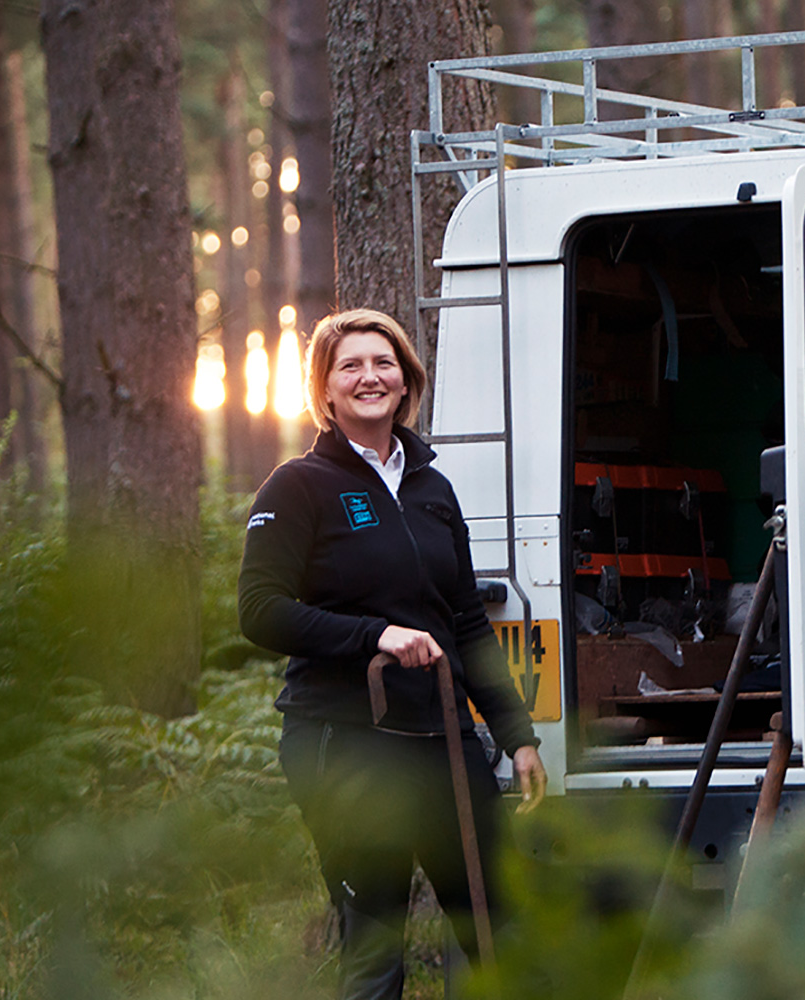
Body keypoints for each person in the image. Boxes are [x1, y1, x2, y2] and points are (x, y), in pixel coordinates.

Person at [238, 307, 546, 1000]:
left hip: (442, 738)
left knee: (498, 928)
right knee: (376, 944)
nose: (369, 377)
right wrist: (373, 634)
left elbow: (466, 622)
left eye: (384, 364)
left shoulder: (434, 490)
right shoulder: (297, 487)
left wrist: (515, 736)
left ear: (408, 383)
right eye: (350, 366)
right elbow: (259, 612)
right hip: (345, 740)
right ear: (324, 391)